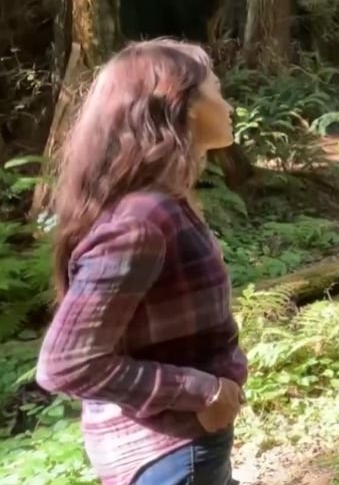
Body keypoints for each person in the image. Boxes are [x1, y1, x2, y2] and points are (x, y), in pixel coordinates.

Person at [35, 39, 248, 485]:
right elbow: (66, 363)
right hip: (167, 458)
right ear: (182, 104)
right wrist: (203, 392)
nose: (228, 105)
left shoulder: (160, 206)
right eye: (217, 89)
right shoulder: (142, 220)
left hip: (182, 452)